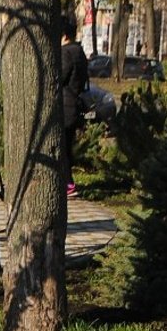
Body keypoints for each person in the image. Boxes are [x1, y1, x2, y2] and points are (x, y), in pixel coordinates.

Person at [59, 18, 89, 198]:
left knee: (61, 148)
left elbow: (59, 77)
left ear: (63, 36)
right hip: (75, 103)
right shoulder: (80, 52)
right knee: (67, 147)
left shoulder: (65, 53)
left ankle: (68, 183)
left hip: (64, 104)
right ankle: (69, 182)